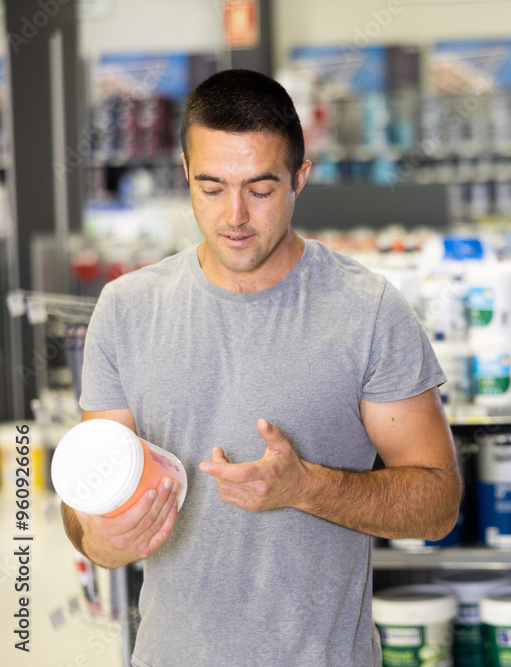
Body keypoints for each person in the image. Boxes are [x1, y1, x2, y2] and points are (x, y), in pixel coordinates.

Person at [61, 69, 462, 666]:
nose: (235, 216)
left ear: (300, 177)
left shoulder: (367, 310)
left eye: (261, 188)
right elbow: (88, 503)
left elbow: (439, 503)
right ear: (185, 174)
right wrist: (103, 539)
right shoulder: (126, 309)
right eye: (212, 187)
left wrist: (307, 488)